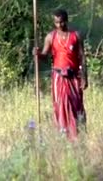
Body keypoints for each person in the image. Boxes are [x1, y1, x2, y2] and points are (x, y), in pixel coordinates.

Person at [33, 8, 88, 140]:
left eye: (61, 22)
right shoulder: (51, 37)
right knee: (61, 106)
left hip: (74, 77)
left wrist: (85, 77)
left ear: (66, 21)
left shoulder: (75, 36)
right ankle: (63, 135)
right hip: (58, 78)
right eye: (56, 23)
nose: (59, 25)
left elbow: (82, 57)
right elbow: (45, 56)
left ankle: (77, 136)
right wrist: (38, 54)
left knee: (76, 106)